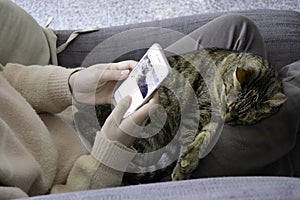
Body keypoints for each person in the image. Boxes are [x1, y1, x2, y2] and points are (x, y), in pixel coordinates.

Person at [0, 13, 266, 199]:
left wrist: (70, 83)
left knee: (237, 31)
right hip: (113, 173)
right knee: (282, 104)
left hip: (86, 110)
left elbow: (7, 78)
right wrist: (109, 155)